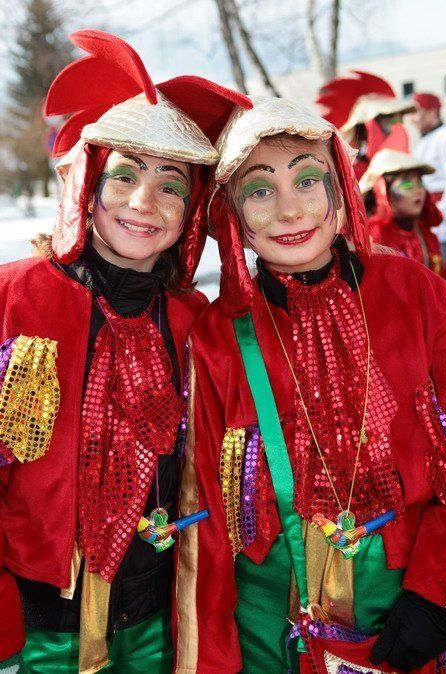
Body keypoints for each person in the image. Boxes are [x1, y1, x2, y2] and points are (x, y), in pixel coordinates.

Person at [0, 29, 249, 674]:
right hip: (33, 630)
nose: (145, 203)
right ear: (87, 185)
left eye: (171, 185)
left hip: (155, 627)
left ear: (191, 210)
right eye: (125, 176)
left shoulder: (195, 321)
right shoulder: (13, 297)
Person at [174, 96, 446, 674]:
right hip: (268, 636)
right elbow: (205, 527)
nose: (290, 210)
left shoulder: (416, 293)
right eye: (259, 190)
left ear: (340, 188)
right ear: (232, 216)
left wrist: (436, 591)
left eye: (307, 180)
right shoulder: (218, 336)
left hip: (409, 615)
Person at [316, 70, 414, 179]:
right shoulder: (350, 172)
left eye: (398, 118)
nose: (396, 125)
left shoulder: (404, 167)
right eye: (389, 117)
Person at [359, 148, 444, 274]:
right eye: (407, 184)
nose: (418, 190)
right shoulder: (374, 239)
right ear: (383, 191)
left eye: (420, 183)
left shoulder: (426, 233)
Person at [410, 93, 446, 259]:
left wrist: (442, 215)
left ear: (432, 112)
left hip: (442, 218)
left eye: (416, 112)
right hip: (429, 217)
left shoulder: (445, 136)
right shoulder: (423, 141)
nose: (412, 119)